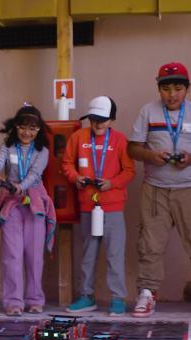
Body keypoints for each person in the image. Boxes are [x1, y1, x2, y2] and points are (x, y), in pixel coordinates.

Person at [127, 62, 191, 318]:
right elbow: (132, 149)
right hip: (155, 190)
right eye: (167, 88)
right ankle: (147, 293)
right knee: (149, 241)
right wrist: (151, 155)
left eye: (178, 88)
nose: (172, 94)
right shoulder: (147, 112)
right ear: (159, 89)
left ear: (187, 89)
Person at [0, 105, 56, 316]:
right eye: (23, 127)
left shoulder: (42, 151)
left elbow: (36, 174)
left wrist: (21, 186)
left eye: (33, 129)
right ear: (15, 127)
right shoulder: (7, 147)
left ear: (39, 130)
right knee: (12, 255)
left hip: (35, 205)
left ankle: (35, 300)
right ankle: (13, 302)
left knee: (35, 256)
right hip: (11, 205)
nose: (27, 132)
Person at [61, 96, 136, 316]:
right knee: (89, 252)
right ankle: (87, 296)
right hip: (87, 205)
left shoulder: (121, 141)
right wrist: (76, 178)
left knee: (115, 253)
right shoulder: (78, 137)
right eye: (93, 119)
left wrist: (112, 183)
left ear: (111, 120)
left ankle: (117, 298)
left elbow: (129, 171)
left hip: (112, 206)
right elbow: (67, 163)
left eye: (102, 120)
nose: (97, 125)